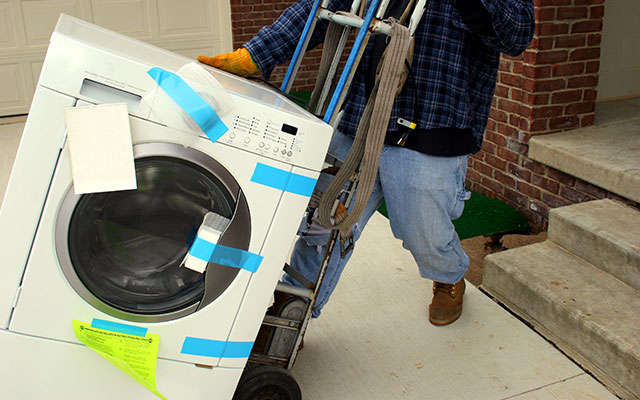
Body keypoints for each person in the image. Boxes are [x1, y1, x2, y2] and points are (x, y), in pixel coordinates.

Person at [199, 0, 535, 326]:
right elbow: (320, 8)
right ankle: (291, 315)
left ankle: (449, 276)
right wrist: (255, 55)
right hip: (362, 119)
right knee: (324, 224)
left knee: (424, 233)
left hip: (434, 125)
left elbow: (516, 35)